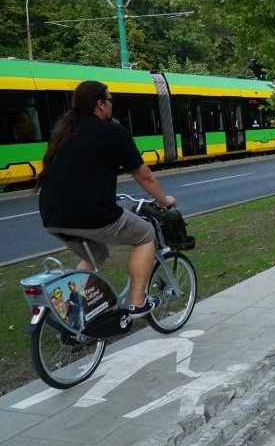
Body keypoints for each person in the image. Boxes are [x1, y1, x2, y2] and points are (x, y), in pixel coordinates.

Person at [35, 81, 176, 318]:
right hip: (93, 215)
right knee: (145, 234)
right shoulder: (112, 131)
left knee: (96, 254)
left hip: (52, 216)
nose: (112, 105)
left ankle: (78, 314)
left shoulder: (63, 130)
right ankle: (138, 302)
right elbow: (144, 175)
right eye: (110, 100)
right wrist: (163, 200)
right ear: (100, 104)